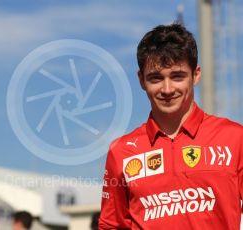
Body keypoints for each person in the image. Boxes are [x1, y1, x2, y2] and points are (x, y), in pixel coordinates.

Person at [99, 23, 243, 229]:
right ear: (141, 80)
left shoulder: (235, 139)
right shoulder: (121, 152)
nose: (167, 89)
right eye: (156, 78)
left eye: (177, 76)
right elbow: (111, 226)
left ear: (196, 75)